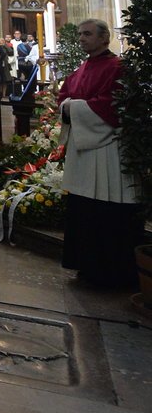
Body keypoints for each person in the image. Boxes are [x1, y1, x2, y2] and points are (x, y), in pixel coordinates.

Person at [60, 19, 142, 289]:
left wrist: (73, 107)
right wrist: (70, 105)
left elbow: (112, 104)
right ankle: (87, 265)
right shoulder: (83, 67)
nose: (81, 38)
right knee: (85, 210)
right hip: (85, 150)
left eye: (87, 34)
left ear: (105, 39)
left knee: (106, 210)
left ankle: (111, 271)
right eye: (80, 34)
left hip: (107, 149)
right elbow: (66, 95)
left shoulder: (118, 67)